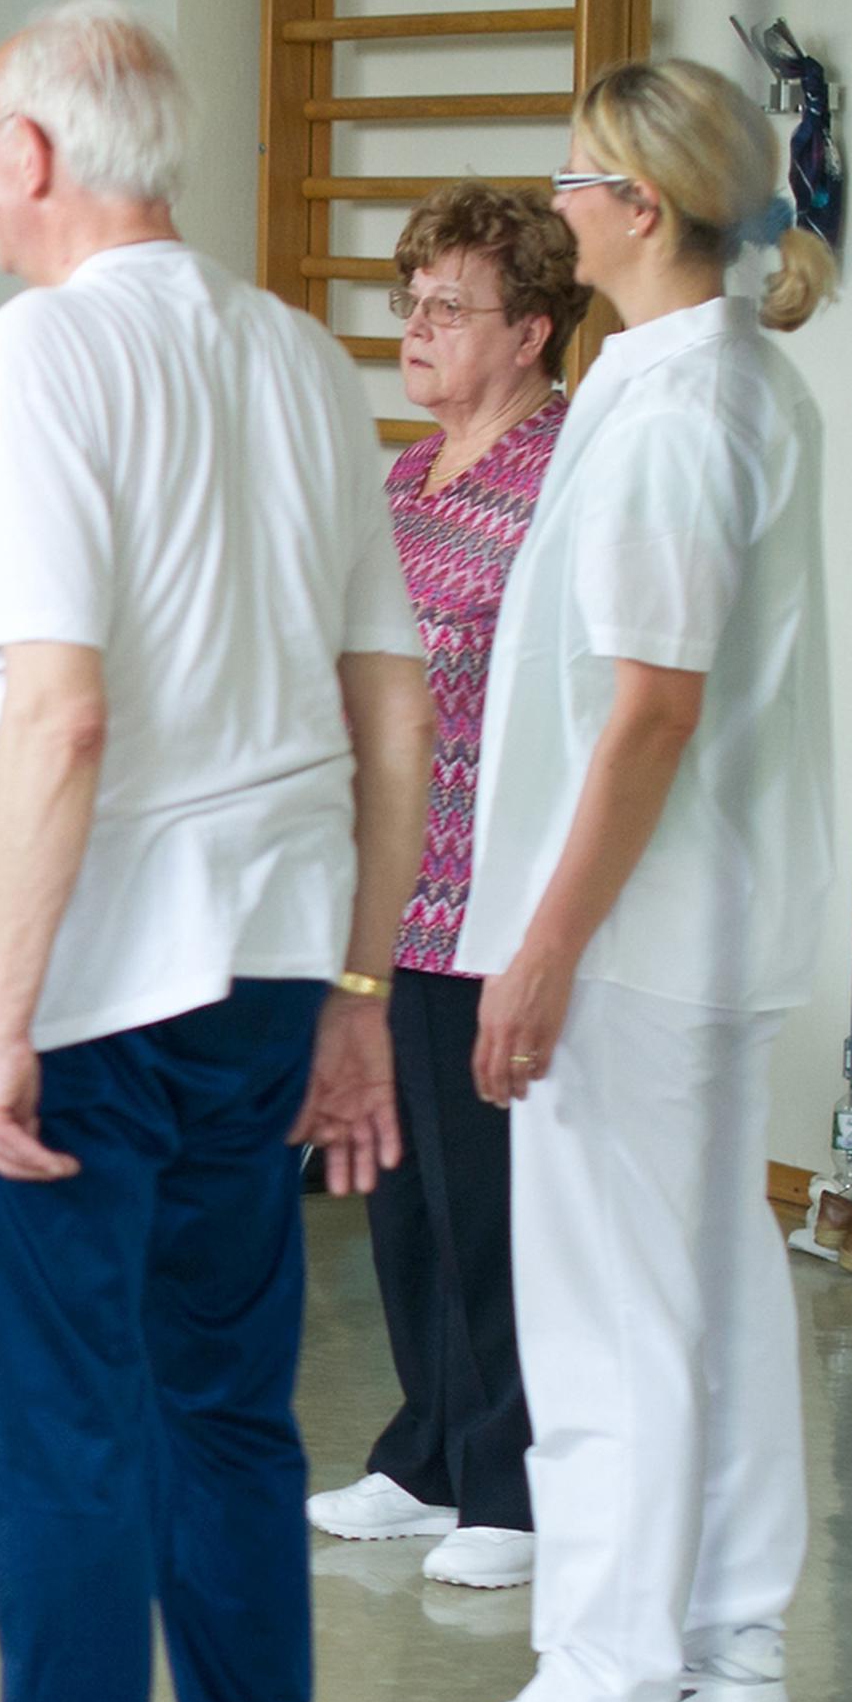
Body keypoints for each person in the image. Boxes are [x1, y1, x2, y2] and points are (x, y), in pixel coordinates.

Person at [0, 4, 435, 1702]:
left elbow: (61, 712)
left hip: (83, 986)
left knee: (53, 1430)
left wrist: (3, 1016)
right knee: (221, 1402)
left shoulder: (36, 358)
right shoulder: (297, 356)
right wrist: (359, 983)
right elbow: (390, 708)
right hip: (265, 964)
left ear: (29, 152)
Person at [403, 59, 839, 1702]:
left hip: (637, 937)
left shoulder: (665, 413)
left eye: (577, 177)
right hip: (719, 924)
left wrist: (544, 944)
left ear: (640, 207)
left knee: (606, 1321)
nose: (558, 198)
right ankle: (729, 1632)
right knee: (717, 1288)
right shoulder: (736, 381)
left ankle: (603, 1700)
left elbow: (649, 710)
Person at [305, 183, 587, 1594]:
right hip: (390, 894)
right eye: (407, 300)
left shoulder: (560, 483)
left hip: (492, 894)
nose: (413, 326)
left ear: (531, 331)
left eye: (447, 307)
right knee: (399, 1195)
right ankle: (426, 1450)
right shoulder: (411, 477)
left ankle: (512, 1481)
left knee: (484, 1204)